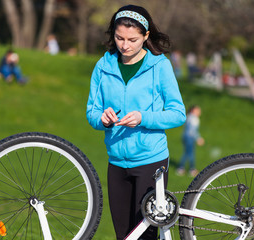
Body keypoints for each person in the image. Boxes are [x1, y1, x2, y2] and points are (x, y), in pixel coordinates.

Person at [86, 5, 186, 240]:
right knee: (125, 236)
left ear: (146, 36)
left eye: (132, 39)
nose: (125, 45)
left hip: (151, 162)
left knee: (147, 235)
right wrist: (103, 120)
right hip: (116, 163)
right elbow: (92, 112)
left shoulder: (160, 66)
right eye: (119, 37)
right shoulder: (103, 67)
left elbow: (178, 113)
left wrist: (144, 117)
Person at [176, 105, 204, 177]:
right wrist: (198, 138)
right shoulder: (194, 119)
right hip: (190, 138)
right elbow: (193, 130)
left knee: (187, 153)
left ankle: (181, 168)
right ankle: (191, 169)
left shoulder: (188, 116)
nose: (199, 112)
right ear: (193, 110)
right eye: (198, 110)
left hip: (185, 137)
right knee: (190, 154)